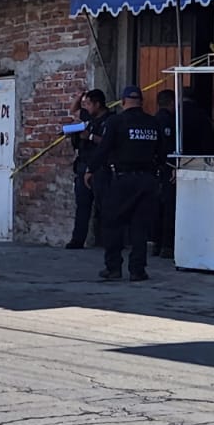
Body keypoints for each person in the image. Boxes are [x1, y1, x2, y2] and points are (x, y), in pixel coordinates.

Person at [86, 85, 164, 281]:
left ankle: (113, 268)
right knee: (140, 226)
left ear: (122, 102)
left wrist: (90, 169)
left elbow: (104, 149)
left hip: (123, 179)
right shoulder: (153, 123)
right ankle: (138, 270)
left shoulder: (116, 121)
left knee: (113, 223)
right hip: (147, 179)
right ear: (142, 102)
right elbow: (163, 153)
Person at [67, 89, 109, 249]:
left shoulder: (110, 120)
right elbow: (74, 110)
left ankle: (107, 240)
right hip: (83, 166)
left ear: (98, 104)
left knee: (103, 206)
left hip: (100, 168)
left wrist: (90, 136)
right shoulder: (88, 117)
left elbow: (108, 142)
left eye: (89, 104)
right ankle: (77, 240)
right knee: (82, 205)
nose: (87, 107)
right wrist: (79, 96)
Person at [153, 91, 180, 256]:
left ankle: (156, 242)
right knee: (169, 207)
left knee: (156, 207)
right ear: (171, 103)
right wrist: (173, 166)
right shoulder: (169, 121)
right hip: (167, 169)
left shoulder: (152, 120)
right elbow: (168, 147)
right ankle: (166, 245)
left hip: (153, 169)